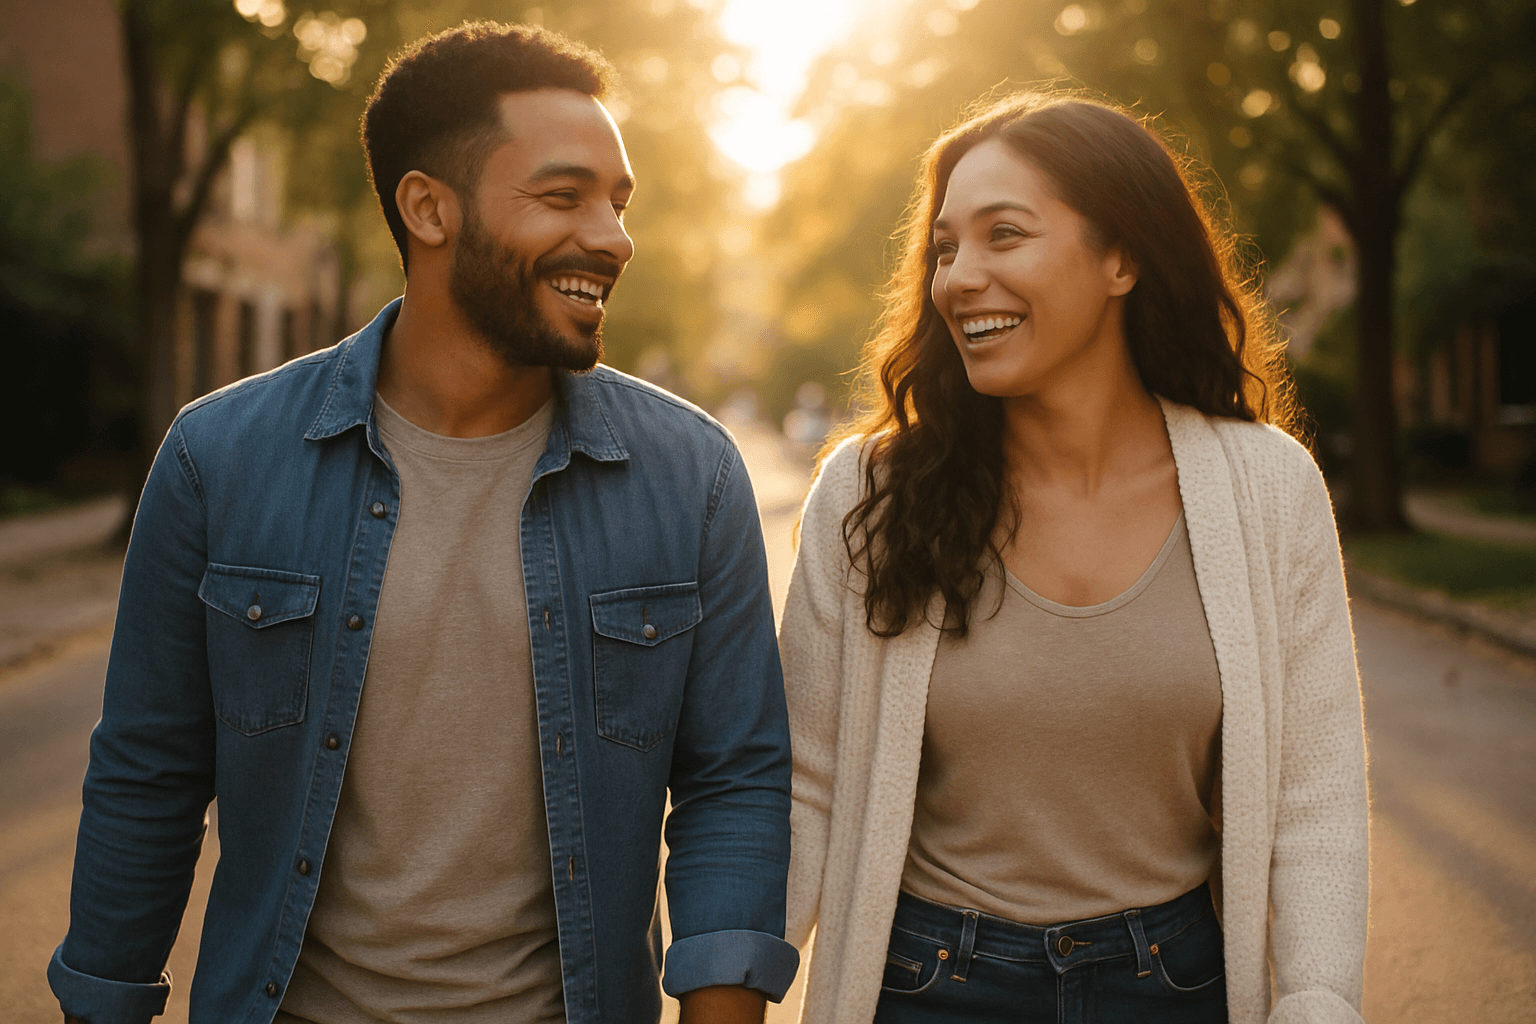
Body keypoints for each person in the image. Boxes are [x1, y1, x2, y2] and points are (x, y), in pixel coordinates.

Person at [50, 22, 796, 1024]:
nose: (614, 237)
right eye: (563, 194)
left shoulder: (691, 474)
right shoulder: (218, 459)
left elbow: (733, 781)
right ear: (428, 208)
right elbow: (148, 777)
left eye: (618, 204)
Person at [780, 92, 1368, 1024]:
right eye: (944, 249)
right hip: (931, 985)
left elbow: (1315, 799)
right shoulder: (870, 493)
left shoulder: (1268, 487)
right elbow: (803, 784)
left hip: (1175, 985)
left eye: (1003, 236)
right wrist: (734, 984)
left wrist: (1318, 1001)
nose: (959, 277)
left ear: (1122, 257)